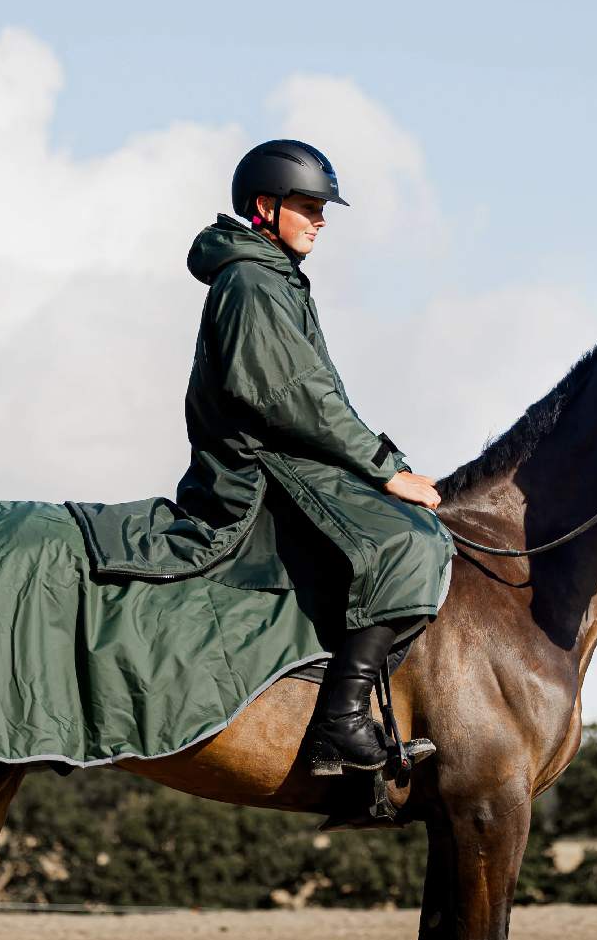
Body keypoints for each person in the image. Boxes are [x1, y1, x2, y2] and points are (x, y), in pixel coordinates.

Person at [181, 140, 455, 776]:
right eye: (308, 206)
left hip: (291, 457)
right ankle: (341, 721)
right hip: (259, 470)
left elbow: (315, 397)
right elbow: (294, 399)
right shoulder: (251, 282)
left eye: (322, 208)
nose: (321, 220)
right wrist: (385, 469)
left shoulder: (274, 277)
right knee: (410, 543)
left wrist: (382, 464)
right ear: (265, 207)